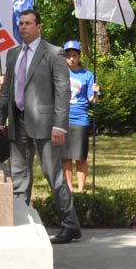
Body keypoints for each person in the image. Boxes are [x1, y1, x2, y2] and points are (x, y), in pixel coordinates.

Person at [0, 8, 81, 244]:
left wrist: (60, 126)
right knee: (19, 176)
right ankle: (21, 222)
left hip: (46, 125)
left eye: (28, 23)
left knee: (55, 176)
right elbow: (7, 91)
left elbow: (63, 92)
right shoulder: (13, 54)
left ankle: (70, 225)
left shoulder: (54, 53)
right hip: (18, 123)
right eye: (21, 23)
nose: (23, 27)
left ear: (38, 26)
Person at [60, 40, 100, 193]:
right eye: (68, 56)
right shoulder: (59, 74)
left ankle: (81, 190)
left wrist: (95, 92)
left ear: (79, 56)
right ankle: (69, 189)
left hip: (80, 118)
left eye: (74, 55)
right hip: (63, 119)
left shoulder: (87, 75)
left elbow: (93, 100)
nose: (71, 59)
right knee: (65, 156)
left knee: (80, 156)